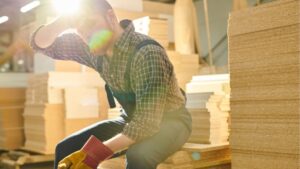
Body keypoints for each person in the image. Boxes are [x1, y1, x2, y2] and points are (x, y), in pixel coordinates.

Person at [31, 0, 192, 168]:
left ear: (110, 17)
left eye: (90, 23)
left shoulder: (147, 53)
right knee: (65, 148)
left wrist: (94, 155)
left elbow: (147, 123)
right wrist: (64, 21)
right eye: (81, 30)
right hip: (131, 119)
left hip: (170, 122)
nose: (86, 34)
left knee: (139, 156)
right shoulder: (94, 47)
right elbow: (41, 44)